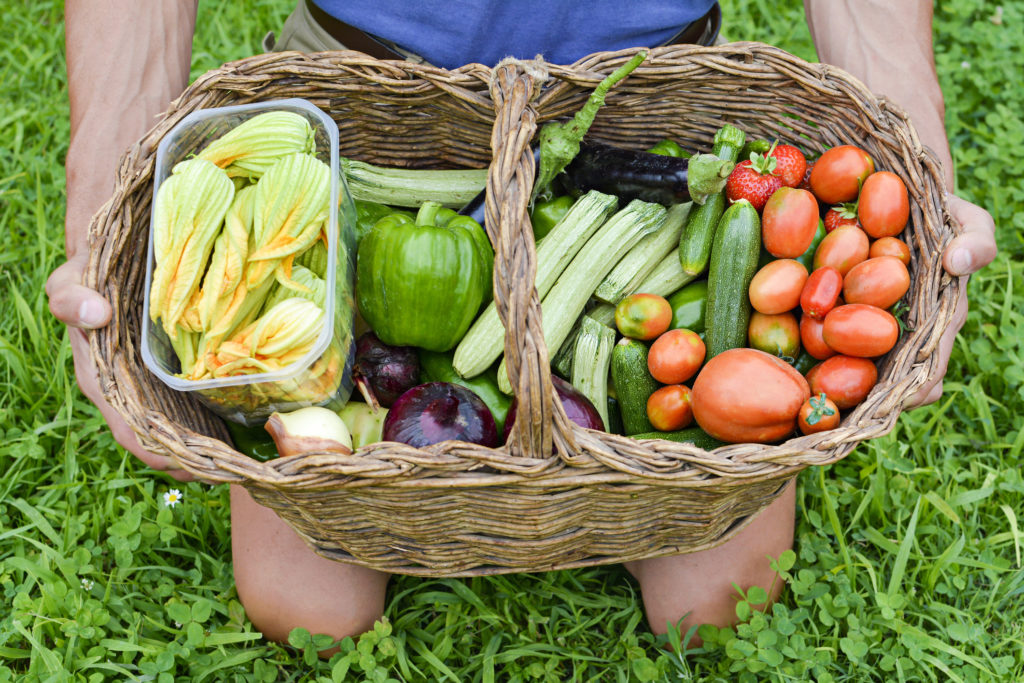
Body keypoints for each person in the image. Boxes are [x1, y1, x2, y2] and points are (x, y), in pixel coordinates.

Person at [50, 0, 997, 648]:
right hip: (370, 85)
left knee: (712, 607)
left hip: (646, 85)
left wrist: (906, 158)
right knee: (305, 608)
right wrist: (107, 208)